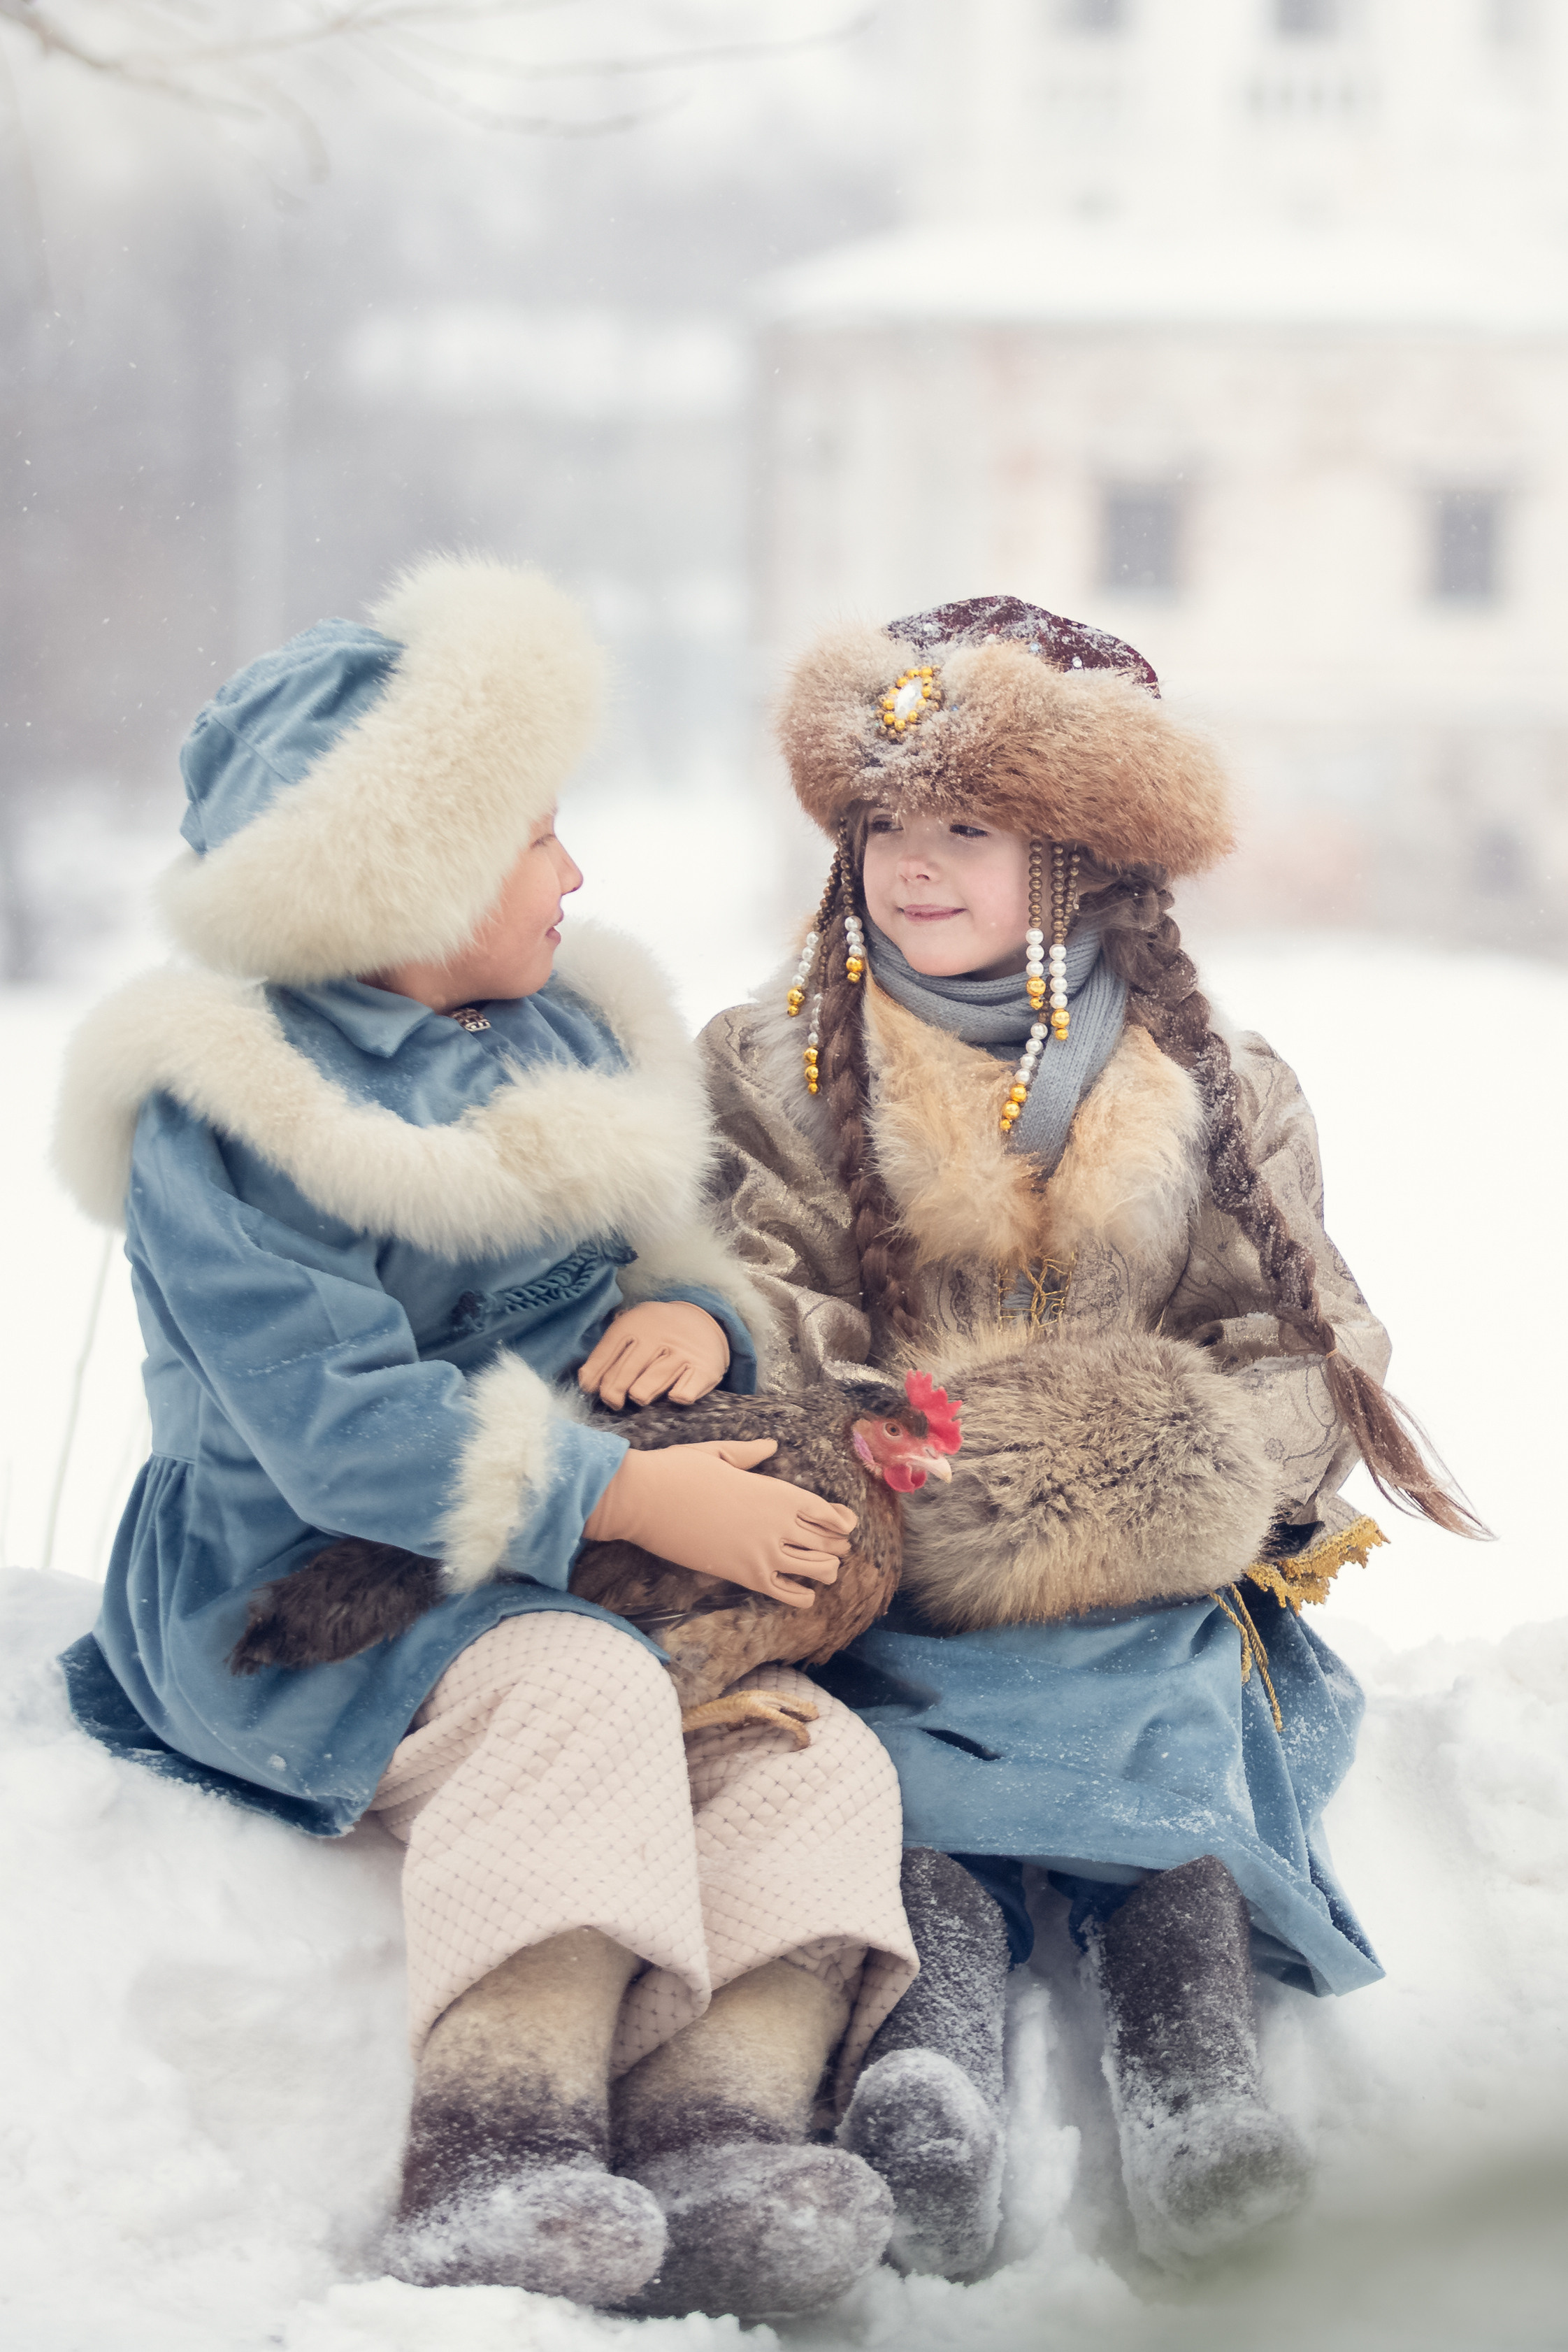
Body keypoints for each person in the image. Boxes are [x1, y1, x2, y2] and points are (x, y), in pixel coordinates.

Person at [51, 554, 918, 2318]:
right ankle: (497, 2150)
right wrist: (634, 1488)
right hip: (313, 1584)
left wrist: (696, 1314)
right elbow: (331, 1426)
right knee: (579, 1699)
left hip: (586, 1558)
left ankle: (722, 2121)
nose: (576, 871)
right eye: (532, 831)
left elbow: (664, 1252)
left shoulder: (565, 1031)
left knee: (812, 1749)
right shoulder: (240, 1113)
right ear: (402, 860)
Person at [698, 594, 1481, 2274]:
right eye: (887, 824)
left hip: (1153, 1562)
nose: (915, 864)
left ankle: (1189, 2055)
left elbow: (1298, 1339)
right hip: (895, 1542)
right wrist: (898, 1447)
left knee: (1172, 1706)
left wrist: (1161, 1460)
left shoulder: (1216, 1077)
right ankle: (929, 2054)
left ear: (1076, 856)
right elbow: (761, 1291)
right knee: (893, 1764)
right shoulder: (776, 1061)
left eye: (968, 828)